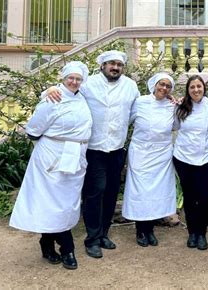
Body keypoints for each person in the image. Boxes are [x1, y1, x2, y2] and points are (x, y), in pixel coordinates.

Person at [45, 50, 140, 259]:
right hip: (94, 149)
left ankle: (104, 233)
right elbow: (66, 93)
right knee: (95, 193)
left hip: (117, 148)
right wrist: (51, 88)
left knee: (111, 193)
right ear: (102, 66)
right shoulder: (88, 84)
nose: (115, 67)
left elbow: (135, 112)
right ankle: (92, 238)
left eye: (119, 64)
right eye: (111, 64)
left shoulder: (131, 86)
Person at [10, 61, 92, 270]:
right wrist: (49, 90)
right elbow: (33, 131)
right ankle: (67, 248)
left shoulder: (82, 97)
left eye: (78, 78)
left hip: (75, 158)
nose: (74, 82)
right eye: (70, 78)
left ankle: (46, 243)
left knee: (66, 204)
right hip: (51, 158)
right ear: (63, 78)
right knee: (52, 203)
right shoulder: (51, 99)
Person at [122, 72, 177, 247]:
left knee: (157, 192)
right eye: (161, 84)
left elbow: (177, 124)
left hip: (162, 154)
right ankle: (141, 229)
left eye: (168, 86)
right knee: (141, 192)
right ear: (154, 84)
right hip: (141, 152)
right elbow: (125, 120)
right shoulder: (140, 102)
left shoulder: (171, 105)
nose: (164, 88)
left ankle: (150, 229)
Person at [173, 75, 208, 250]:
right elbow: (174, 126)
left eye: (199, 86)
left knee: (204, 198)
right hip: (183, 158)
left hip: (204, 159)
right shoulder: (181, 107)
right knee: (190, 197)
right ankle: (192, 233)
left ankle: (202, 234)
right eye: (192, 87)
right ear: (188, 90)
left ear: (204, 88)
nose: (196, 90)